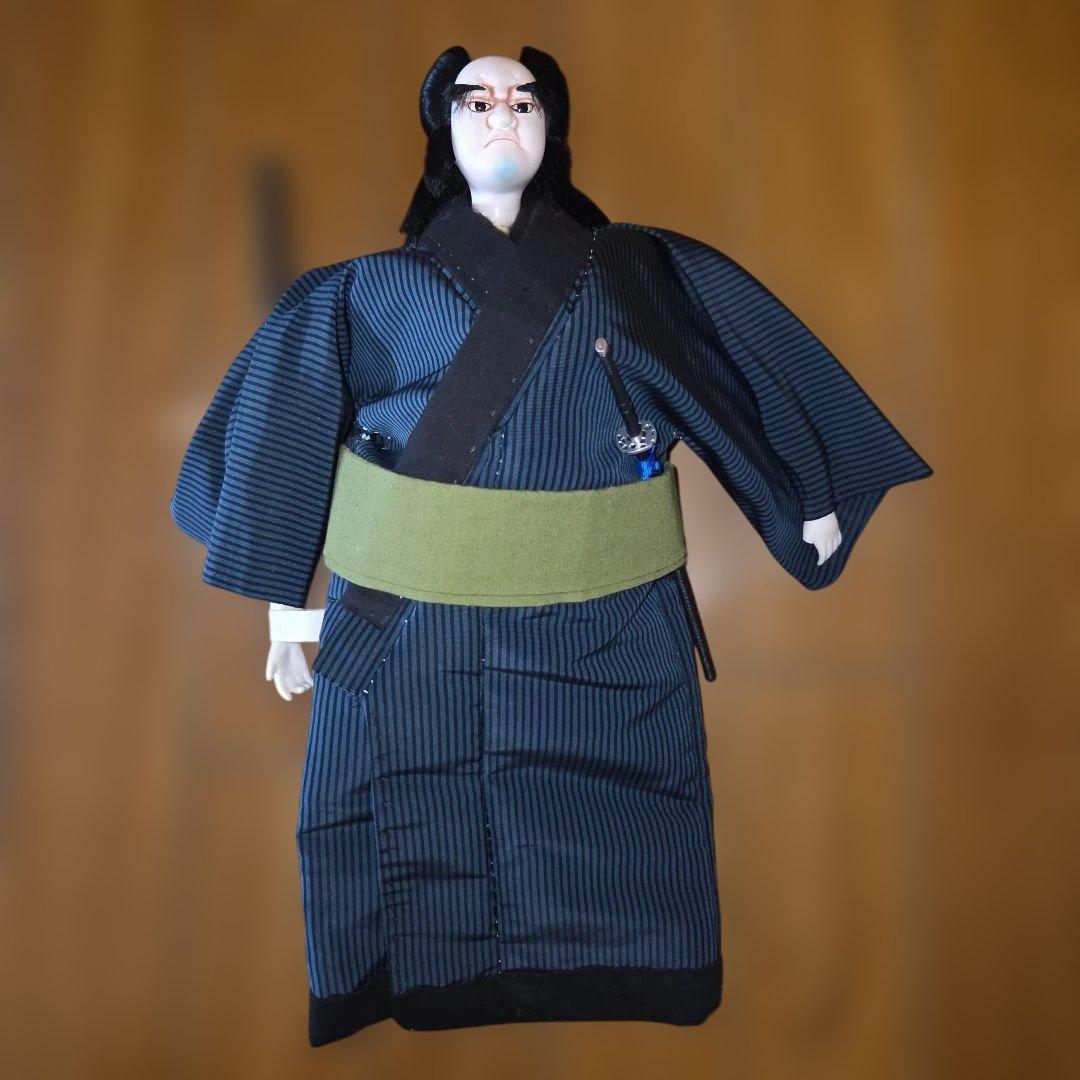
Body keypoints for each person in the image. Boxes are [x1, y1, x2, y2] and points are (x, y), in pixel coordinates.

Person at [170, 45, 932, 1046]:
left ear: (552, 128)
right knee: (416, 822)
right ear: (442, 132)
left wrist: (801, 487)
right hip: (413, 620)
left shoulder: (635, 266)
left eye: (524, 102)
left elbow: (721, 370)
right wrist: (283, 609)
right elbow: (288, 431)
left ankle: (630, 968)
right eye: (476, 101)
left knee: (620, 817)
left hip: (604, 618)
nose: (502, 116)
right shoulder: (356, 292)